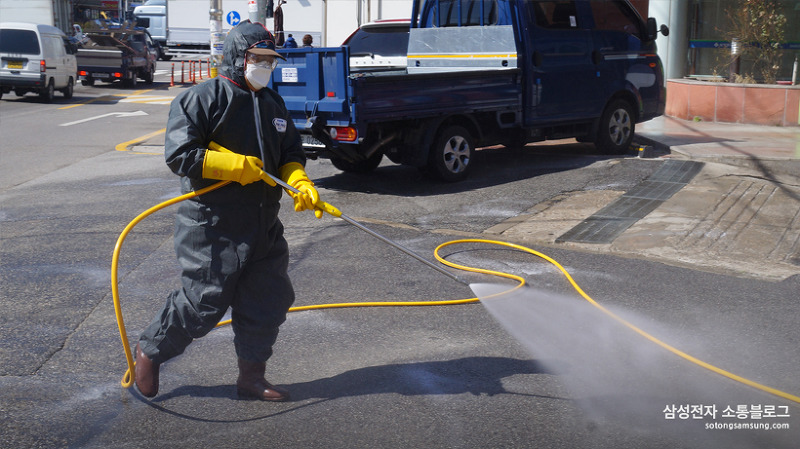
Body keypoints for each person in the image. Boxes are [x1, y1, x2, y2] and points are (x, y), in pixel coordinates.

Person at [134, 20, 324, 402]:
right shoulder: (202, 98)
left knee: (266, 300)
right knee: (204, 302)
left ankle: (251, 378)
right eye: (259, 58)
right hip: (212, 223)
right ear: (239, 57)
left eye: (270, 60)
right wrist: (233, 166)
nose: (265, 66)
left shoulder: (273, 103)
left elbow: (289, 152)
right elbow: (180, 154)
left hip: (262, 223)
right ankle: (150, 351)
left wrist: (300, 181)